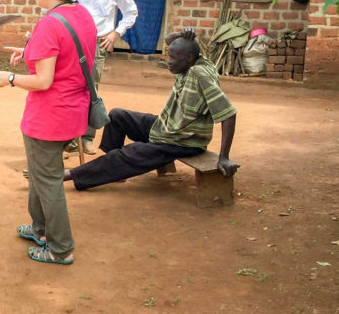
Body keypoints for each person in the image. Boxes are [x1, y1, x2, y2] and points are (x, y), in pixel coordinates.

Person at [0, 0, 97, 265]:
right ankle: (39, 229)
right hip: (72, 111)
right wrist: (28, 51)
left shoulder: (51, 23)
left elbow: (43, 81)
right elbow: (66, 55)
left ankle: (60, 248)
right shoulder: (80, 15)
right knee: (40, 173)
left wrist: (8, 78)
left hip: (49, 116)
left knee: (47, 179)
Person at [64, 28, 239, 192]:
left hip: (183, 141)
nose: (168, 62)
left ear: (189, 58)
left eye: (173, 58)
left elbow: (229, 113)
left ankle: (74, 175)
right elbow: (172, 41)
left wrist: (224, 156)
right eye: (168, 56)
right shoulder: (196, 61)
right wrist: (181, 34)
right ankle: (114, 170)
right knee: (118, 116)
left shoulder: (200, 75)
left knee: (131, 153)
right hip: (166, 127)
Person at [71, 0, 139, 155]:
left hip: (97, 42)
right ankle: (69, 138)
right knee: (69, 87)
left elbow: (131, 12)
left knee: (91, 89)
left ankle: (87, 137)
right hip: (72, 42)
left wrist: (116, 33)